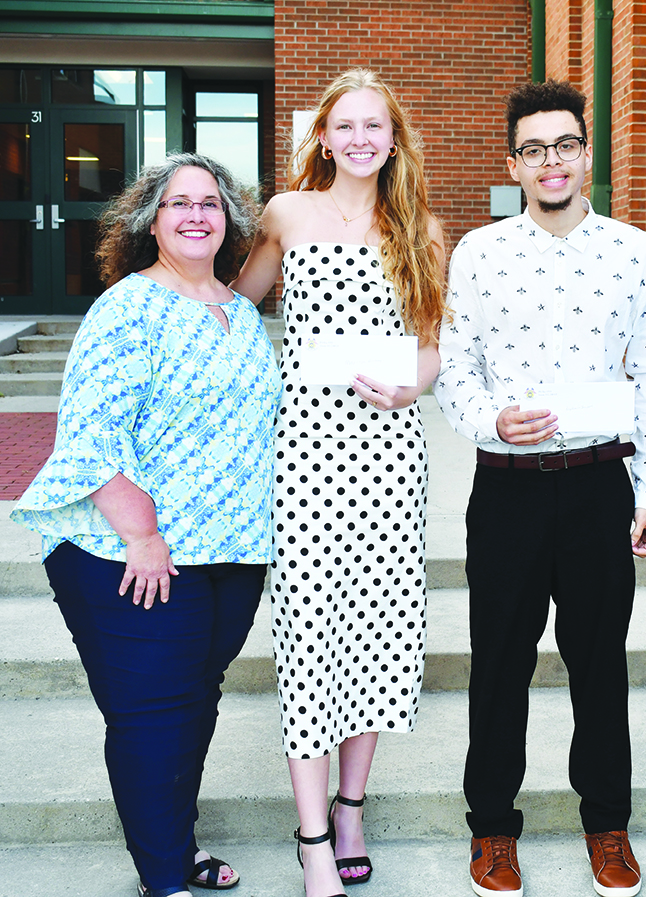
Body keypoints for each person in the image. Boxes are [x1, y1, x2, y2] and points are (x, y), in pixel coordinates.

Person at [434, 79, 646, 897]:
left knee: (598, 664)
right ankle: (493, 831)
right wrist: (489, 421)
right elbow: (455, 368)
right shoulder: (480, 252)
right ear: (514, 162)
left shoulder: (633, 251)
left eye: (565, 144)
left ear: (586, 153)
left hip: (596, 487)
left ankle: (606, 825)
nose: (551, 161)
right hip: (507, 490)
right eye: (534, 148)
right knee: (498, 666)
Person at [12, 152, 281, 897]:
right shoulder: (127, 307)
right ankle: (164, 879)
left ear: (229, 220)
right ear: (149, 221)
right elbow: (94, 436)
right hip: (128, 553)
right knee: (155, 715)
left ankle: (175, 843)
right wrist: (142, 534)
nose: (196, 215)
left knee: (194, 700)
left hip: (229, 551)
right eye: (177, 204)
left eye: (209, 203)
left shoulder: (236, 311)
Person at [231, 69, 446, 897]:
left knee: (381, 635)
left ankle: (352, 806)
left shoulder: (419, 225)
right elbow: (240, 304)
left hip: (390, 456)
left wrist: (412, 386)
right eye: (345, 125)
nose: (360, 138)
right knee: (312, 637)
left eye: (375, 126)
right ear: (322, 136)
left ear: (394, 139)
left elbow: (430, 342)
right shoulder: (286, 214)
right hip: (308, 458)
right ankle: (314, 835)